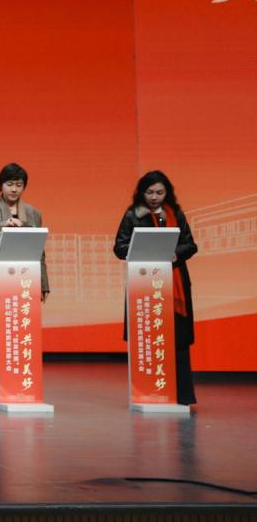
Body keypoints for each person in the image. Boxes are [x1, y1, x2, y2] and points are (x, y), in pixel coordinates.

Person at [114, 170, 198, 406]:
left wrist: (174, 254)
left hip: (174, 284)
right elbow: (119, 247)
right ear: (141, 193)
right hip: (144, 286)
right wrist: (141, 249)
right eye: (149, 192)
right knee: (147, 339)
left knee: (177, 341)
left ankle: (182, 396)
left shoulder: (175, 214)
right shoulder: (132, 215)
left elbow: (191, 245)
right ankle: (147, 392)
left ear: (167, 193)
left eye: (159, 192)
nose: (154, 197)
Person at [0, 161, 48, 393]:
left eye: (19, 184)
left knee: (23, 333)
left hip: (25, 283)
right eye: (9, 184)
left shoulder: (33, 213)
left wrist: (43, 283)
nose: (14, 189)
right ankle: (1, 387)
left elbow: (39, 249)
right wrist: (4, 224)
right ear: (1, 185)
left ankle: (23, 384)